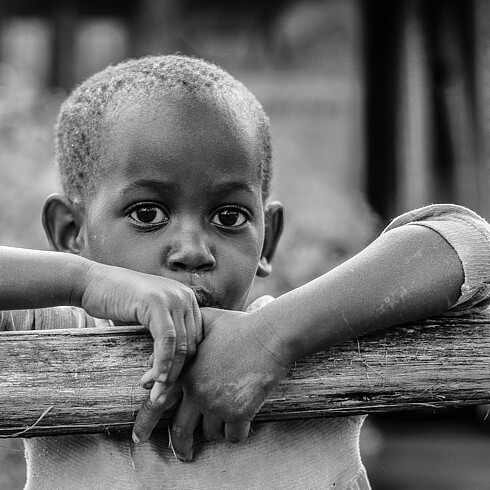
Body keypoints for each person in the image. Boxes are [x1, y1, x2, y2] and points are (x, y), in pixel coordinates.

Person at [1, 54, 489, 489]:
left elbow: (470, 242)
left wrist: (270, 339)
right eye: (147, 214)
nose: (193, 251)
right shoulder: (51, 331)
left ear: (267, 239)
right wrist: (85, 281)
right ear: (71, 232)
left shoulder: (310, 333)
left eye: (228, 217)